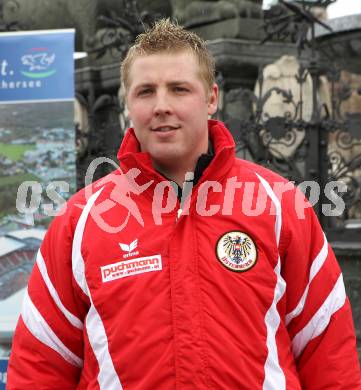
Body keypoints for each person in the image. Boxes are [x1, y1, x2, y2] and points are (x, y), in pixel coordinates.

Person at [7, 19, 361, 389]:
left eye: (179, 89)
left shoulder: (280, 206)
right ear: (127, 103)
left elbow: (327, 348)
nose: (162, 106)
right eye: (146, 91)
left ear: (211, 98)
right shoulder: (80, 221)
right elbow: (40, 364)